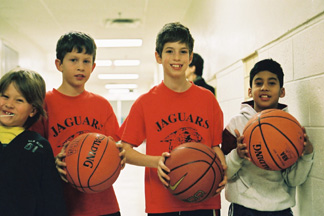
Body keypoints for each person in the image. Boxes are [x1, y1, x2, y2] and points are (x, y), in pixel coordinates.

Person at [118, 22, 227, 216]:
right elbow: (124, 151)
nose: (177, 58)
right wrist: (156, 162)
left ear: (190, 57)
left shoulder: (208, 99)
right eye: (169, 51)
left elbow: (214, 146)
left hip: (204, 199)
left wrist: (222, 168)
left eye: (183, 51)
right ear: (158, 57)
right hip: (162, 203)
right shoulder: (145, 102)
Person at [31, 31, 125, 216]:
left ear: (93, 66)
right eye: (73, 60)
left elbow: (116, 149)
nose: (80, 67)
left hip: (103, 205)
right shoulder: (44, 103)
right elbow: (32, 156)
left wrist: (117, 158)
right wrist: (53, 163)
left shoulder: (102, 105)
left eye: (86, 61)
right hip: (61, 204)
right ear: (59, 64)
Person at [221, 59, 314, 216]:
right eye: (258, 83)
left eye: (271, 83)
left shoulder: (290, 128)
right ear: (250, 91)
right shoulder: (236, 124)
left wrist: (307, 154)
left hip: (281, 209)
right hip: (243, 208)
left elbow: (294, 180)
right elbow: (224, 174)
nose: (264, 88)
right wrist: (237, 155)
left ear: (282, 91)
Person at [0, 68, 67, 216]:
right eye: (5, 96)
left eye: (19, 100)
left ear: (33, 110)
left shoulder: (39, 147)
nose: (9, 104)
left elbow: (52, 199)